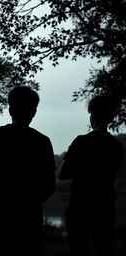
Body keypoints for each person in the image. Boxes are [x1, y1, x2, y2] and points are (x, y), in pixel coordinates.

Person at [0, 86, 56, 256]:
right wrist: (28, 204)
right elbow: (49, 185)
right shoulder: (42, 142)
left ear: (10, 109)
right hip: (29, 222)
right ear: (34, 112)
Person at [59, 95, 124, 256]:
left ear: (92, 116)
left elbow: (63, 174)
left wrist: (70, 155)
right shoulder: (116, 147)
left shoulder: (81, 142)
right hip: (105, 205)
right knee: (104, 249)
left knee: (78, 249)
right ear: (111, 118)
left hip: (80, 205)